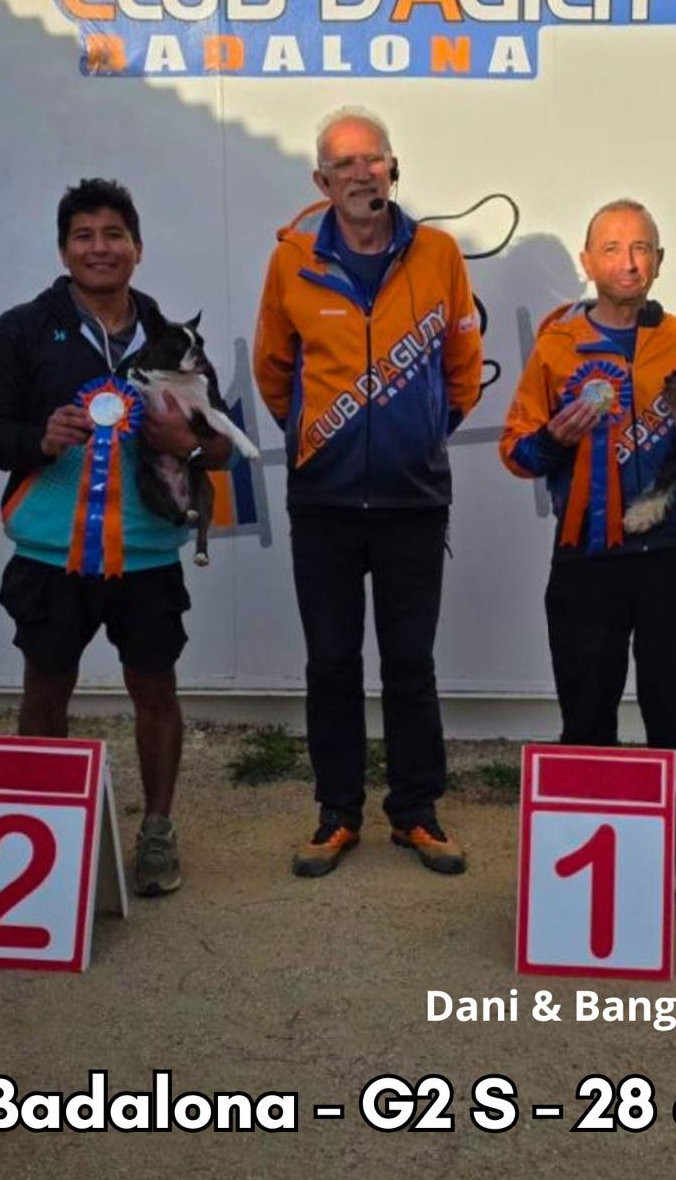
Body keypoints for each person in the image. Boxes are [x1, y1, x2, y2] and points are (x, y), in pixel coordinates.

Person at [0, 177, 232, 897]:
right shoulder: (20, 330)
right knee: (45, 690)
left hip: (147, 552)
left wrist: (189, 442)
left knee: (156, 689)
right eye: (83, 236)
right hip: (50, 552)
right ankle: (41, 831)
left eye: (114, 234)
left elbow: (222, 448)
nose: (100, 248)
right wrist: (40, 437)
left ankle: (157, 831)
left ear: (137, 248)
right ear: (63, 251)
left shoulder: (174, 338)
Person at [252, 108, 482, 878]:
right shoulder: (291, 262)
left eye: (372, 159)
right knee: (331, 663)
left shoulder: (440, 254)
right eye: (344, 164)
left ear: (393, 169)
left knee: (411, 663)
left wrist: (419, 434)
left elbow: (463, 366)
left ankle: (416, 812)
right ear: (321, 181)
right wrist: (319, 438)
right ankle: (337, 813)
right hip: (323, 502)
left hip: (414, 500)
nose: (360, 174)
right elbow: (273, 370)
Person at [499, 198, 676, 910]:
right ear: (587, 261)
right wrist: (557, 439)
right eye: (612, 248)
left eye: (641, 248)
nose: (628, 262)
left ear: (659, 261)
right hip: (586, 556)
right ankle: (581, 844)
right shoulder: (557, 345)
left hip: (672, 554)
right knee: (586, 706)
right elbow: (517, 451)